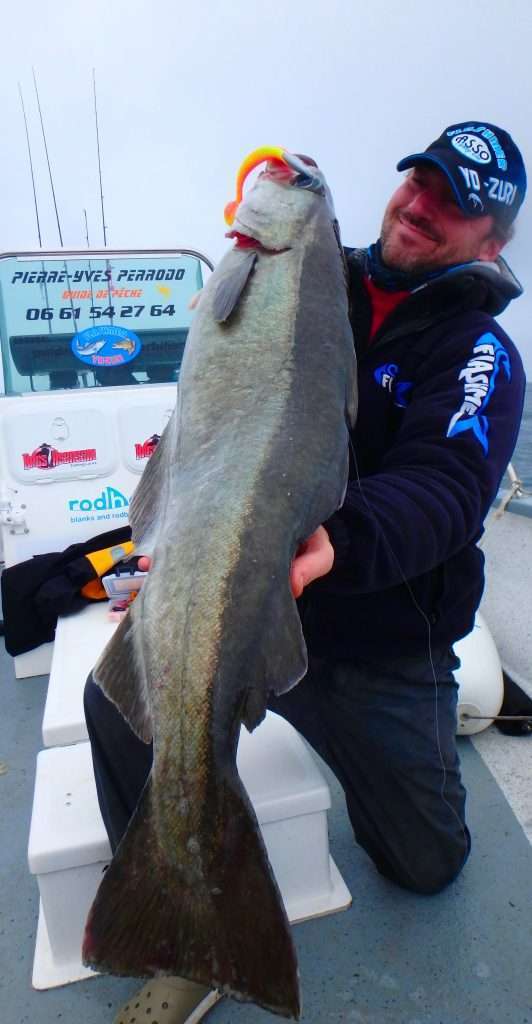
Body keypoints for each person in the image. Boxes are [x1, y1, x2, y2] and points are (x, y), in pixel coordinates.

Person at [84, 121, 527, 1024]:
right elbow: (208, 414)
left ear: (494, 241)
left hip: (375, 644)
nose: (422, 208)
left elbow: (444, 492)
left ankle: (421, 747)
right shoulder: (313, 274)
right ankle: (182, 905)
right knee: (117, 699)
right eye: (420, 183)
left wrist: (340, 542)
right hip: (247, 602)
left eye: (455, 206)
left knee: (425, 864)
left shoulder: (480, 354)